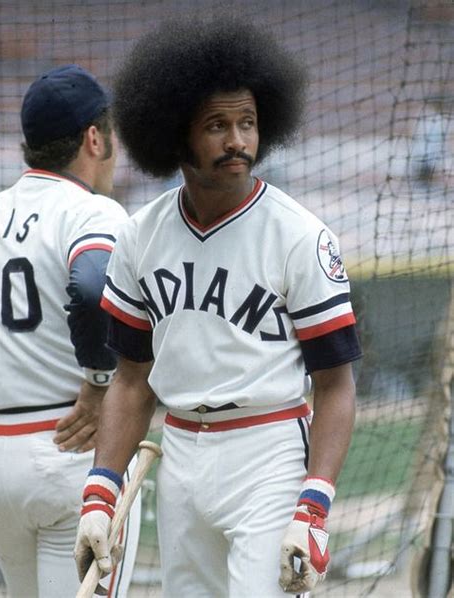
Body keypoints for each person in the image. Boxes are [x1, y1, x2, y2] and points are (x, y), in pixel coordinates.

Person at [74, 14, 362, 598]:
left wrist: (314, 504)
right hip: (179, 454)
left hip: (269, 452)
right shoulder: (139, 236)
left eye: (249, 123)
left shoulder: (300, 235)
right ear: (176, 133)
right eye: (218, 126)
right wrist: (100, 491)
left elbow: (336, 385)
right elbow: (132, 382)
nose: (238, 142)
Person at [0, 64, 141, 597]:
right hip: (71, 453)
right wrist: (99, 383)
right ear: (94, 138)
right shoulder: (92, 211)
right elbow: (94, 286)